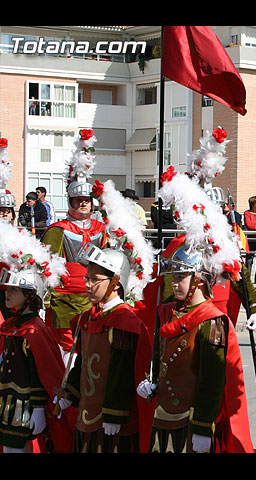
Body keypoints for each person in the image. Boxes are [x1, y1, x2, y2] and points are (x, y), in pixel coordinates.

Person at [136, 163, 253, 454]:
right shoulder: (179, 246)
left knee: (216, 389)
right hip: (183, 315)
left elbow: (240, 277)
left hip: (211, 315)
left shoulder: (223, 244)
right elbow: (164, 293)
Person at [54, 180, 155, 453]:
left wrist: (115, 412)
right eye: (87, 279)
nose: (87, 285)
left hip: (113, 422)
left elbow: (123, 374)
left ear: (114, 283)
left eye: (94, 280)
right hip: (87, 415)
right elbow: (84, 361)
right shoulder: (89, 317)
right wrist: (70, 394)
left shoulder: (125, 321)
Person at [0, 221, 74, 453]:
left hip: (24, 410)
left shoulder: (35, 331)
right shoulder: (14, 326)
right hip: (6, 408)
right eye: (7, 290)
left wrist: (40, 408)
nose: (7, 294)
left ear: (30, 295)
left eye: (13, 290)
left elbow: (40, 374)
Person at [40, 129, 108, 358]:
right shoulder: (58, 230)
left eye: (86, 201)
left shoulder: (101, 229)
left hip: (94, 297)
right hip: (65, 298)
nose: (83, 204)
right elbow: (46, 263)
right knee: (68, 350)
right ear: (70, 202)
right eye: (78, 201)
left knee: (92, 347)